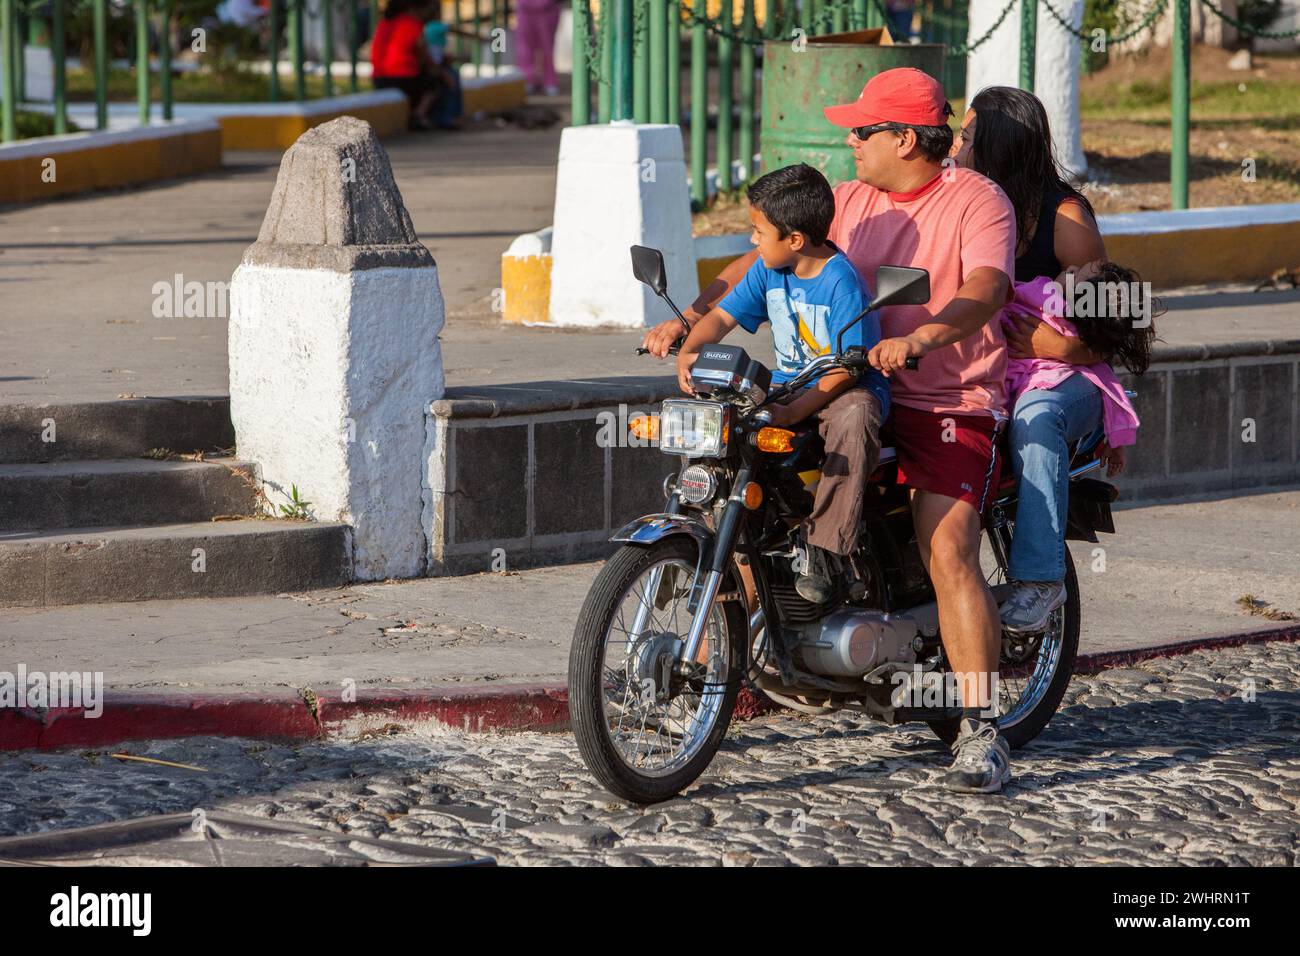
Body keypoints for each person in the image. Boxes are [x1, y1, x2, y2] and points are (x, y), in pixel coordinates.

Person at [645, 68, 1019, 793]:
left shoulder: (976, 200)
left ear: (906, 138)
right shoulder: (845, 201)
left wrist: (926, 337)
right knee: (739, 482)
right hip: (829, 388)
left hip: (946, 399)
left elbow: (987, 289)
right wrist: (686, 325)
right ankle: (753, 645)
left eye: (864, 130)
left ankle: (979, 729)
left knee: (947, 550)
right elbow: (754, 265)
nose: (850, 141)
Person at [676, 164, 890, 603]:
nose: (752, 241)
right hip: (788, 385)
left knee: (856, 417)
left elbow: (846, 370)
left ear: (794, 240)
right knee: (719, 416)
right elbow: (720, 316)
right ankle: (710, 523)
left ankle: (827, 548)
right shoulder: (768, 270)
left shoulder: (841, 281)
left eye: (758, 232)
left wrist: (792, 412)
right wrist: (690, 351)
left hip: (838, 389)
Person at [949, 85, 1118, 629]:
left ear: (998, 146)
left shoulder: (1064, 220)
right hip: (990, 373)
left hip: (1068, 375)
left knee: (1036, 420)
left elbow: (1119, 324)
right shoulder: (960, 203)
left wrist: (1062, 346)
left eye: (969, 136)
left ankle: (1040, 581)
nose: (956, 146)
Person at [371, 0, 452, 131]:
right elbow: (424, 55)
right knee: (434, 83)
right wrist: (442, 73)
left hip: (379, 77)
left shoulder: (384, 23)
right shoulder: (412, 23)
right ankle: (419, 115)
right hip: (403, 77)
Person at [515, 0, 562, 95]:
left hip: (548, 9)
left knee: (547, 47)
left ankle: (549, 81)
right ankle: (528, 80)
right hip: (525, 8)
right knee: (525, 48)